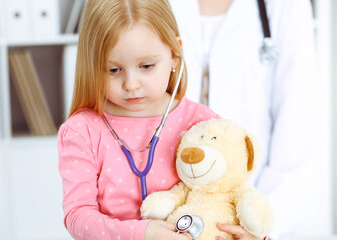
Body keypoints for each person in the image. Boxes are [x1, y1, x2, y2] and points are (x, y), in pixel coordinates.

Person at [58, 0, 268, 239]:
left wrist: (254, 236)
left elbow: (232, 195)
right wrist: (142, 234)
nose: (131, 84)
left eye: (146, 66)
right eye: (113, 70)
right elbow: (78, 216)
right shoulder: (81, 131)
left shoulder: (201, 122)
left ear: (174, 54)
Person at [169, 0, 319, 237]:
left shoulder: (286, 6)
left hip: (252, 206)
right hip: (164, 213)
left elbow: (296, 130)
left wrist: (259, 227)